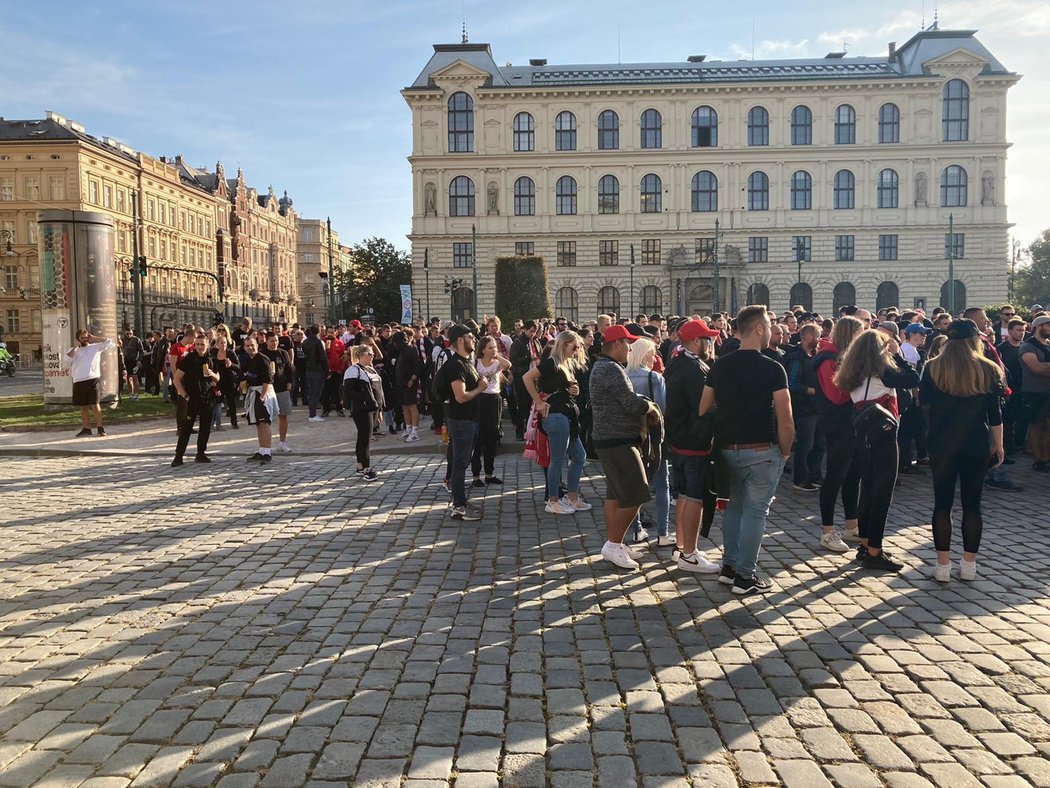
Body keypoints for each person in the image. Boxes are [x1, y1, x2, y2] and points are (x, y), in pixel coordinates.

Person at [699, 306, 793, 595]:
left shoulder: (720, 365)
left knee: (735, 508)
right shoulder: (772, 367)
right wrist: (786, 451)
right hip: (762, 449)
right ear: (759, 329)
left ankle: (729, 567)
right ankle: (744, 576)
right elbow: (786, 416)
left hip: (728, 448)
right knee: (755, 512)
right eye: (769, 324)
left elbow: (703, 408)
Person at [921, 319, 1005, 582]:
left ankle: (942, 565)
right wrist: (998, 444)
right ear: (975, 340)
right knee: (972, 506)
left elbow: (923, 404)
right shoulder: (989, 369)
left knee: (942, 504)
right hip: (974, 442)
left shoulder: (933, 368)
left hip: (941, 442)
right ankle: (969, 564)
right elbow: (995, 414)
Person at [834, 329, 919, 571]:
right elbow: (913, 378)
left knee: (868, 487)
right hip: (884, 433)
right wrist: (897, 355)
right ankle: (874, 549)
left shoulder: (851, 372)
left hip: (861, 432)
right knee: (882, 490)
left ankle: (865, 544)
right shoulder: (884, 371)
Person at [590, 324, 662, 570]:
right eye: (627, 343)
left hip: (610, 439)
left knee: (615, 494)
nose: (631, 348)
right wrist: (650, 407)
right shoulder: (611, 369)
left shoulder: (605, 367)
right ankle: (612, 545)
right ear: (617, 344)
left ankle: (616, 544)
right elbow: (630, 404)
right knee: (636, 493)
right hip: (618, 440)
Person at [664, 319, 723, 571]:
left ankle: (681, 547)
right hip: (693, 440)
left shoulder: (677, 362)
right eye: (707, 338)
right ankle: (690, 553)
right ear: (697, 341)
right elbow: (703, 407)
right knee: (695, 497)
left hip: (679, 438)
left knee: (685, 496)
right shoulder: (693, 367)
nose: (710, 343)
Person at [811, 316, 865, 551]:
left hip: (850, 423)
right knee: (835, 476)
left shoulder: (843, 357)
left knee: (853, 475)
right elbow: (837, 395)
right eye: (859, 333)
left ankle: (851, 525)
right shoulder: (828, 358)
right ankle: (827, 530)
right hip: (837, 424)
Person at [523, 330, 591, 515]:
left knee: (579, 457)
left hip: (566, 415)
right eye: (574, 346)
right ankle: (553, 500)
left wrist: (572, 391)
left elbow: (559, 388)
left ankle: (572, 497)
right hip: (555, 415)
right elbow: (527, 377)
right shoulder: (552, 363)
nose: (576, 350)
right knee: (558, 460)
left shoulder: (567, 363)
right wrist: (538, 401)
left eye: (578, 347)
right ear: (563, 344)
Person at [438, 324, 488, 521]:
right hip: (461, 420)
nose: (474, 340)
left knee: (463, 462)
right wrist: (481, 388)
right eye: (470, 337)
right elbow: (461, 396)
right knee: (459, 463)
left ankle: (461, 501)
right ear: (460, 340)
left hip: (469, 420)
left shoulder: (466, 362)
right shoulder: (456, 364)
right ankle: (458, 505)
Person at [626, 335, 671, 545]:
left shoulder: (623, 376)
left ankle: (636, 529)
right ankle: (663, 533)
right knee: (662, 485)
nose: (654, 359)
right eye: (652, 354)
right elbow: (662, 410)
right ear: (644, 356)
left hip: (630, 436)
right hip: (653, 438)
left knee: (635, 485)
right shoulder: (654, 378)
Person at [783, 324, 823, 491]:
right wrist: (812, 391)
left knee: (818, 444)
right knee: (805, 445)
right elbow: (792, 383)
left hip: (815, 408)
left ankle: (814, 475)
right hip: (803, 408)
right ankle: (800, 479)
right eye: (817, 336)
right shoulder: (796, 358)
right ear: (807, 337)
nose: (819, 339)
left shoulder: (813, 356)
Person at [171, 335, 219, 466]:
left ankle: (201, 453)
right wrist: (184, 395)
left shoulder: (210, 359)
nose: (199, 347)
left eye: (202, 344)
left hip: (208, 398)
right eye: (197, 344)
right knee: (186, 428)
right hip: (193, 398)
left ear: (207, 345)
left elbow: (217, 379)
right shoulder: (189, 359)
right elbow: (176, 379)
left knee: (205, 428)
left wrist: (212, 374)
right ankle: (178, 455)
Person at [470, 336, 511, 487]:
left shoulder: (497, 363)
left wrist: (497, 355)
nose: (493, 350)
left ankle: (489, 473)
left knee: (491, 437)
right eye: (490, 348)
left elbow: (508, 365)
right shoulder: (476, 363)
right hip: (480, 399)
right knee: (478, 437)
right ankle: (476, 475)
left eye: (495, 347)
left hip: (494, 399)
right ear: (482, 349)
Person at [345, 344, 384, 480]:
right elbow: (349, 391)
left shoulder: (371, 369)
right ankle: (367, 469)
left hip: (373, 408)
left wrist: (380, 408)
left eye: (372, 354)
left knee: (363, 438)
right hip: (362, 409)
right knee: (365, 438)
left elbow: (379, 390)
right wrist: (366, 401)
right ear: (361, 355)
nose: (372, 356)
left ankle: (360, 467)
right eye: (369, 354)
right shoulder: (353, 370)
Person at [67, 329, 116, 437]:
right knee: (83, 406)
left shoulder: (95, 347)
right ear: (78, 339)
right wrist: (76, 346)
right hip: (79, 381)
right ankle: (87, 428)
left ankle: (100, 428)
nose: (85, 339)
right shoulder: (74, 350)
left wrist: (94, 338)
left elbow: (110, 342)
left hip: (92, 379)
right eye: (82, 338)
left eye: (86, 337)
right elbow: (66, 359)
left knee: (95, 404)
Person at [1020, 314, 1050, 471]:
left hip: (1048, 391)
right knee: (1036, 424)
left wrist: (1046, 366)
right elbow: (1036, 368)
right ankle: (1038, 459)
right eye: (1048, 325)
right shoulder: (1028, 346)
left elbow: (1043, 367)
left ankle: (1046, 457)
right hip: (1034, 391)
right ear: (1039, 326)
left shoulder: (1048, 344)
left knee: (1048, 426)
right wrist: (1043, 367)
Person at [241, 336, 278, 463]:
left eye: (252, 345)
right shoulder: (248, 360)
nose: (250, 348)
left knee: (264, 422)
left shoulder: (262, 359)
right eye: (247, 346)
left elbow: (268, 380)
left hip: (262, 392)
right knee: (258, 423)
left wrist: (262, 397)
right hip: (254, 392)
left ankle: (267, 452)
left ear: (257, 345)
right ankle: (262, 450)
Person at [262, 332, 295, 453]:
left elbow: (289, 369)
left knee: (283, 415)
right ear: (266, 341)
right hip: (267, 388)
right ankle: (266, 444)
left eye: (276, 340)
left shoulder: (283, 353)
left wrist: (290, 383)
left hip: (282, 388)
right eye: (271, 340)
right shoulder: (262, 354)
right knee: (266, 418)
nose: (274, 343)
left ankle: (282, 442)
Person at [210, 335, 241, 430]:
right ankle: (214, 423)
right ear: (217, 344)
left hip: (230, 381)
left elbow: (239, 367)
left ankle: (234, 422)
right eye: (221, 343)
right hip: (219, 381)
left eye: (225, 343)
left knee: (231, 402)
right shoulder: (214, 353)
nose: (223, 344)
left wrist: (231, 365)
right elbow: (211, 366)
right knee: (217, 402)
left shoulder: (231, 353)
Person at [302, 325, 328, 422]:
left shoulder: (305, 342)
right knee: (316, 393)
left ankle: (311, 413)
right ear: (319, 331)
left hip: (309, 369)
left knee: (312, 392)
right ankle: (312, 415)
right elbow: (323, 357)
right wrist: (327, 369)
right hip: (318, 369)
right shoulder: (318, 342)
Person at [120, 329, 144, 401]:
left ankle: (136, 394)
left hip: (134, 361)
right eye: (127, 334)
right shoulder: (122, 340)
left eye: (130, 333)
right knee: (128, 378)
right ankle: (131, 394)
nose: (129, 335)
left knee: (135, 378)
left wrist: (139, 360)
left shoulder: (136, 340)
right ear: (125, 334)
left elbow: (141, 351)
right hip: (125, 361)